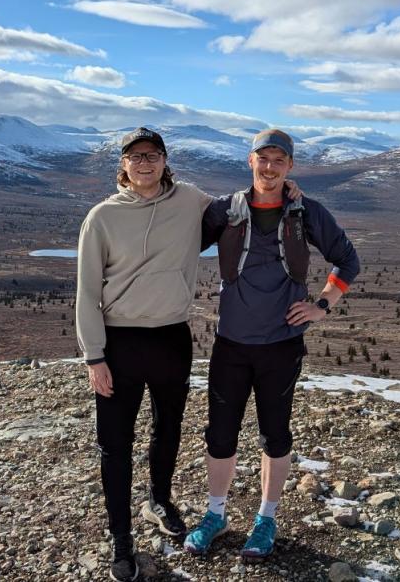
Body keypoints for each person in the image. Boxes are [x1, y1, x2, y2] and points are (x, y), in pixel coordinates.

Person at [76, 126, 302, 581]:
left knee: (168, 430)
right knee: (115, 446)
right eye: (135, 155)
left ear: (164, 160)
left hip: (171, 338)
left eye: (153, 154)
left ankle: (160, 499)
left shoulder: (190, 199)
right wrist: (94, 356)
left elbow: (244, 202)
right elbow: (85, 292)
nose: (144, 163)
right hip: (119, 342)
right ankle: (122, 539)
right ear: (122, 164)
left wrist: (286, 187)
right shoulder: (101, 217)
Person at [184, 128, 360, 560]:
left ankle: (266, 518)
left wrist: (322, 305)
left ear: (290, 166)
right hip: (231, 344)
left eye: (279, 160)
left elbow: (348, 259)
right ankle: (216, 514)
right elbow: (180, 246)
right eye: (263, 159)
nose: (270, 167)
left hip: (281, 345)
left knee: (275, 435)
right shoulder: (225, 210)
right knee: (220, 436)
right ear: (250, 161)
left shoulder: (307, 212)